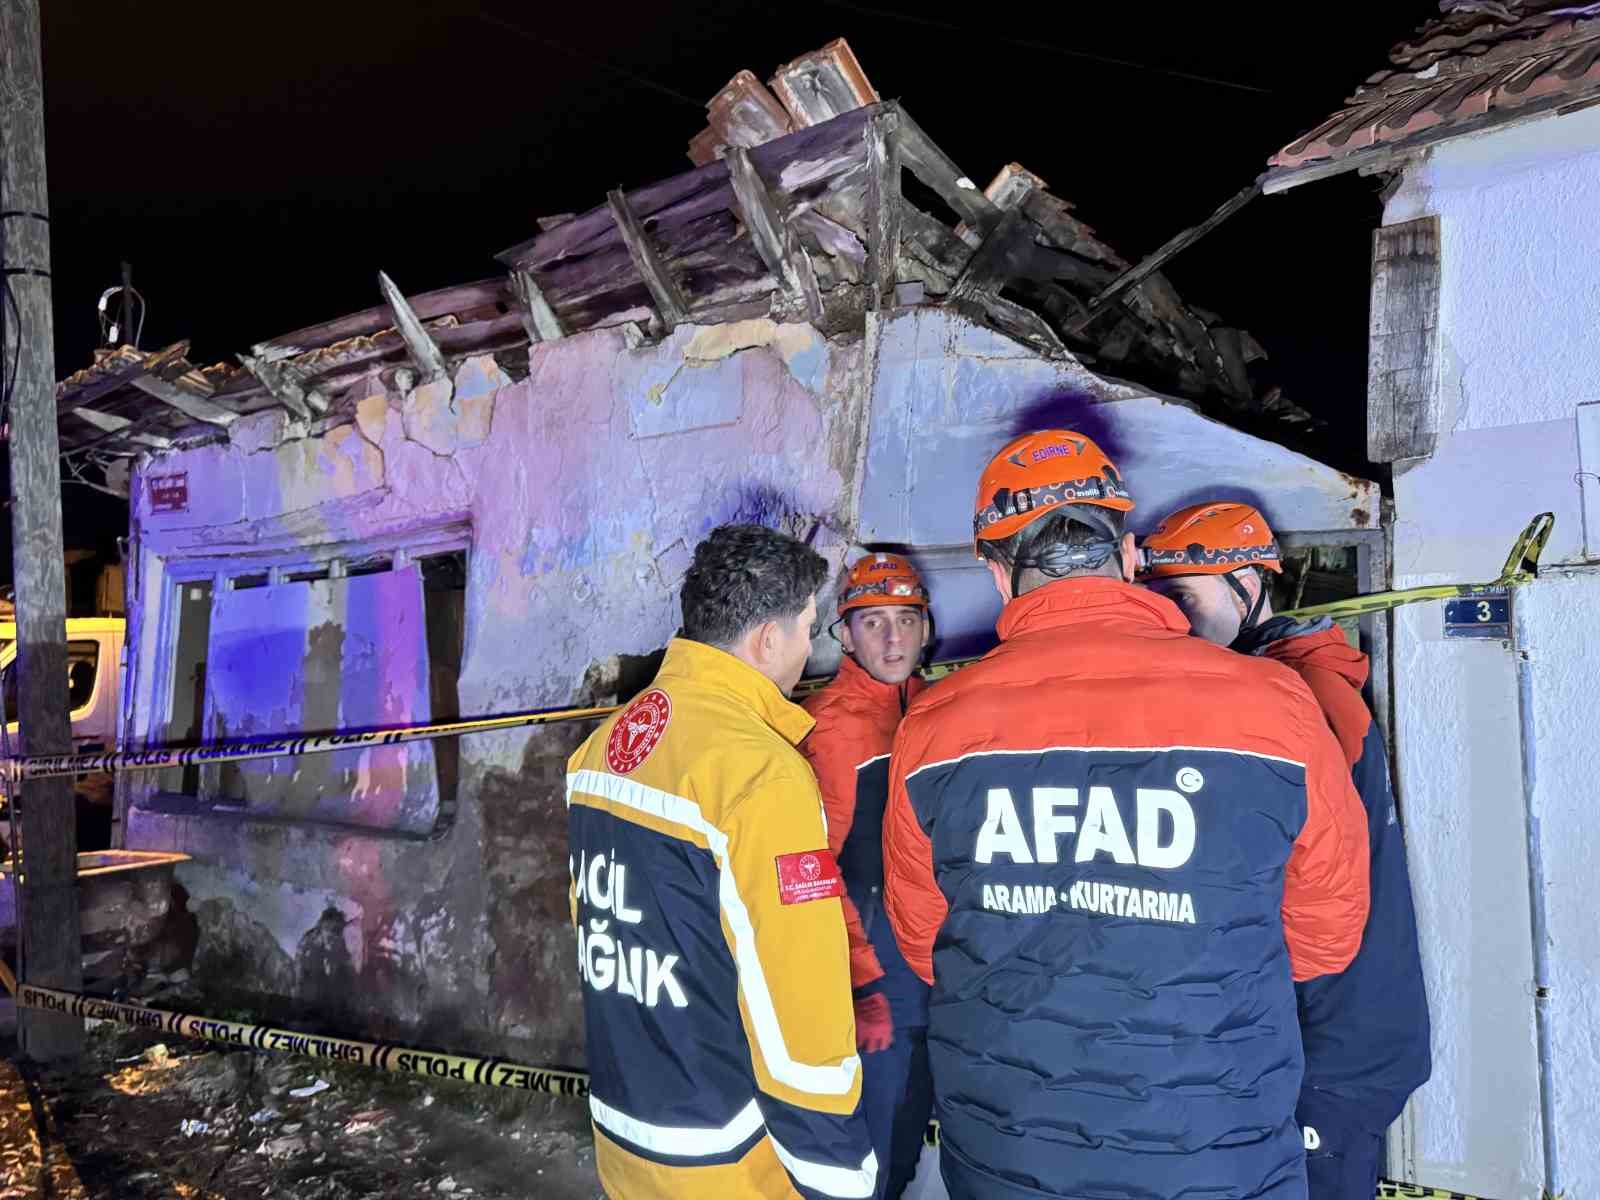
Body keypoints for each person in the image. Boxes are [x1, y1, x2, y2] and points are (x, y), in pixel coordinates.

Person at [880, 429, 1371, 1200]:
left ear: (997, 572)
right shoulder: (1275, 705)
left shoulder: (932, 729)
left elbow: (923, 942)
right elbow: (1327, 936)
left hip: (1012, 1156)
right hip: (1219, 1151)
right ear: (1132, 553)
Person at [566, 523, 877, 1200]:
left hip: (626, 1137)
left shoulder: (602, 748)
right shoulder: (760, 774)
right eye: (807, 629)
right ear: (768, 640)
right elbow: (795, 991)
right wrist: (837, 1172)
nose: (808, 648)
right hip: (728, 1161)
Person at [1138, 501, 1431, 1200]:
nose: (1170, 619)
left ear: (1247, 585)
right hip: (1306, 1040)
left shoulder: (1301, 697)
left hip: (1326, 1048)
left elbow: (1296, 893)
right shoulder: (1288, 681)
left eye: (1183, 596)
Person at [800, 553, 936, 1200]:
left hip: (935, 956)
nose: (892, 638)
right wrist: (858, 980)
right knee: (874, 1140)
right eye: (872, 622)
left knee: (912, 1125)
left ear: (926, 629)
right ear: (844, 636)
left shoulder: (937, 708)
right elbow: (813, 867)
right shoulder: (833, 728)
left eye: (905, 620)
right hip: (876, 964)